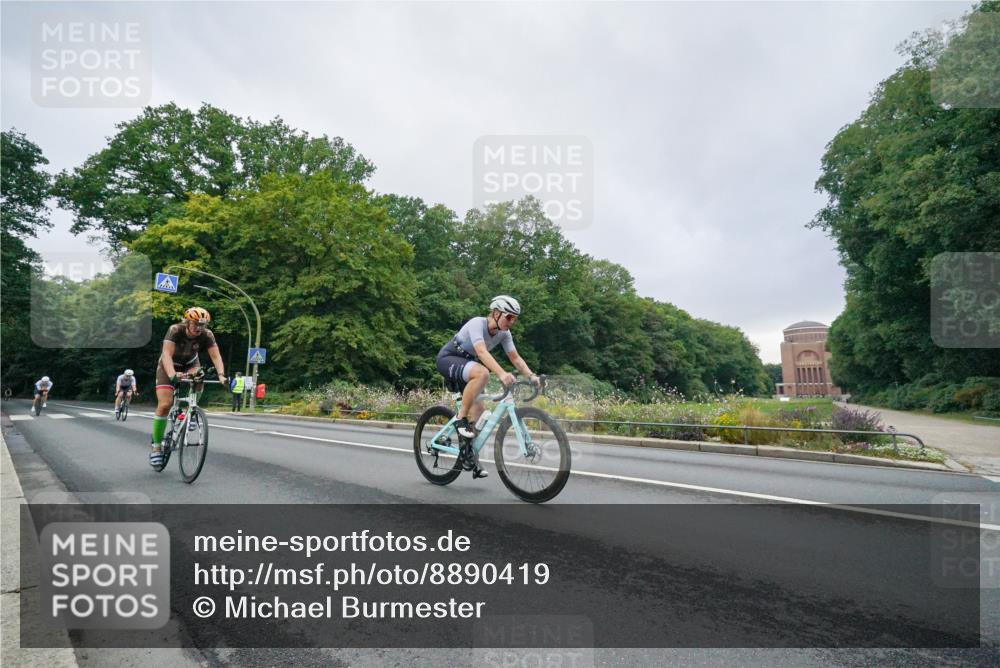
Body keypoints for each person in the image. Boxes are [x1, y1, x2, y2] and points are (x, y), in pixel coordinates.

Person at [435, 295, 541, 479]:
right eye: (509, 317)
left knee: (479, 412)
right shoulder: (477, 323)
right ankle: (460, 419)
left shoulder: (504, 334)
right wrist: (501, 373)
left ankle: (469, 454)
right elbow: (482, 352)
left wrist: (531, 376)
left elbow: (515, 358)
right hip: (449, 358)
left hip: (468, 365)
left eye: (515, 319)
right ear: (496, 313)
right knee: (483, 373)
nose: (512, 322)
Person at [149, 307, 227, 468]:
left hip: (190, 364)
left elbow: (215, 355)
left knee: (199, 375)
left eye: (202, 325)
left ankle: (188, 412)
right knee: (164, 405)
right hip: (169, 364)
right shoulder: (175, 330)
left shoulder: (207, 334)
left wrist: (221, 375)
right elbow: (166, 354)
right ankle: (156, 448)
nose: (199, 328)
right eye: (196, 324)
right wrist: (172, 374)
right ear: (187, 322)